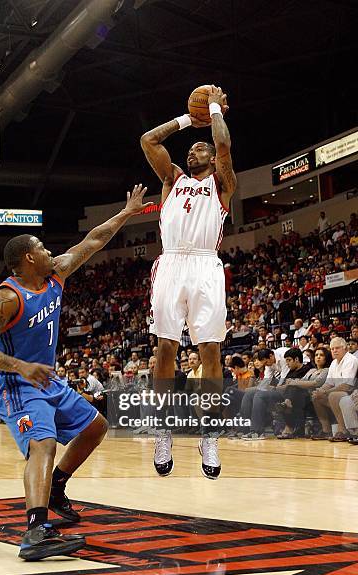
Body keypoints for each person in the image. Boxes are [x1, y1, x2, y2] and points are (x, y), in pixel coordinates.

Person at [0, 184, 150, 561]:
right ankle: (36, 531)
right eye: (43, 248)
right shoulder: (6, 298)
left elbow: (94, 240)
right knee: (43, 443)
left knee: (95, 427)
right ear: (28, 258)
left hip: (47, 379)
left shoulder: (57, 274)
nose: (51, 252)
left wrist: (128, 211)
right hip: (16, 383)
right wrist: (21, 366)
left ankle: (56, 487)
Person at [140, 85, 236, 479]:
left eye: (200, 148)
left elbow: (224, 145)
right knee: (165, 350)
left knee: (210, 352)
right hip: (172, 264)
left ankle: (208, 434)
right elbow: (149, 139)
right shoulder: (172, 179)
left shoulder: (222, 183)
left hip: (205, 266)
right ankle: (163, 429)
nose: (191, 151)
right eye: (191, 148)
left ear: (212, 158)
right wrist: (185, 120)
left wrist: (213, 110)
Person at [311, 337, 358, 441]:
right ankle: (326, 431)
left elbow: (347, 386)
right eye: (332, 349)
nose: (334, 350)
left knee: (334, 395)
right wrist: (319, 391)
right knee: (316, 397)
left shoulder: (351, 360)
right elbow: (329, 383)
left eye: (337, 348)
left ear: (345, 348)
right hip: (339, 394)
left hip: (350, 394)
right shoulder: (333, 363)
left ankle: (343, 430)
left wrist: (325, 392)